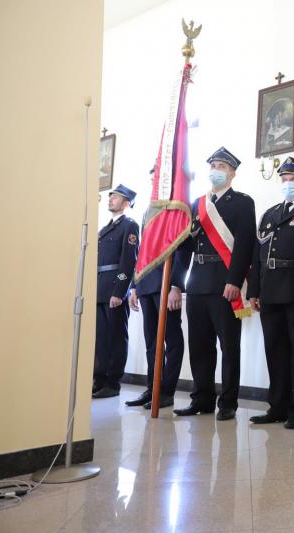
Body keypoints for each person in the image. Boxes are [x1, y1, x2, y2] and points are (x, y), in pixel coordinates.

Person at [174, 147, 257, 421]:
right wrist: (177, 284)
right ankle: (202, 399)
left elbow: (245, 245)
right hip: (197, 282)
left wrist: (234, 280)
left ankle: (228, 402)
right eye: (213, 166)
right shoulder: (197, 205)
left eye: (222, 166)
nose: (216, 170)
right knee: (199, 345)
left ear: (232, 173)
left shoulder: (242, 202)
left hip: (225, 283)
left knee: (229, 346)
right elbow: (184, 249)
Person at [246, 157, 294, 429]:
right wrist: (254, 290)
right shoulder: (270, 214)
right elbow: (257, 256)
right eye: (285, 179)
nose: (288, 183)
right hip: (270, 290)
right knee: (275, 350)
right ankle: (277, 406)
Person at [126, 166, 189, 410]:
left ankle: (166, 391)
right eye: (152, 178)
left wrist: (176, 285)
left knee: (171, 339)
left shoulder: (177, 207)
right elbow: (142, 251)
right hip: (147, 282)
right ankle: (152, 388)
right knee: (152, 341)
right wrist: (134, 285)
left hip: (166, 282)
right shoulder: (149, 210)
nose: (155, 182)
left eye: (158, 178)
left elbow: (182, 250)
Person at [93, 184, 139, 399]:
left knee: (116, 338)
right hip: (100, 287)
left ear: (126, 202)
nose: (110, 199)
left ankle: (112, 383)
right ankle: (99, 379)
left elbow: (128, 262)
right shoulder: (105, 229)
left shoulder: (129, 226)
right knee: (101, 338)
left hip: (114, 289)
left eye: (116, 197)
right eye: (110, 196)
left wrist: (119, 292)